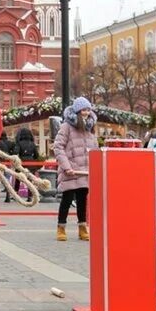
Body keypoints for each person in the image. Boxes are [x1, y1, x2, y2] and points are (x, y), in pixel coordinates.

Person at [53, 97, 99, 241]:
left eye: (88, 110)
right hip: (71, 169)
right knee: (66, 199)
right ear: (77, 111)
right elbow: (58, 146)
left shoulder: (90, 127)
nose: (86, 113)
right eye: (83, 110)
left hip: (85, 170)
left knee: (82, 200)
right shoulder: (67, 126)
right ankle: (61, 227)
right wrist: (66, 166)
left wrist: (95, 166)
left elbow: (95, 148)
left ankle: (82, 227)